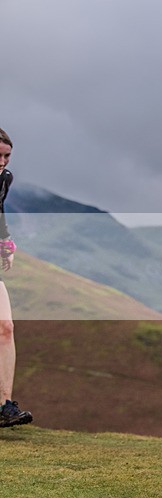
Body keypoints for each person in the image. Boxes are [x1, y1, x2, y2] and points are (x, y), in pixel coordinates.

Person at [0, 127, 33, 428]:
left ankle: (4, 407)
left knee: (5, 327)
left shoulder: (4, 180)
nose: (2, 161)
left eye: (6, 156)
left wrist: (6, 243)